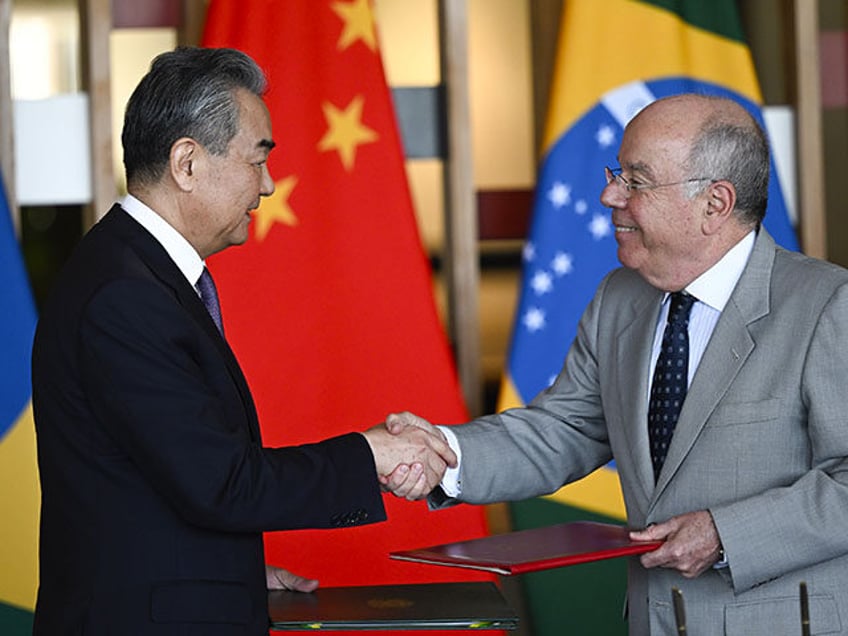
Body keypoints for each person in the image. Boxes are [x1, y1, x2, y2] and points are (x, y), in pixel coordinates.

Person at [385, 93, 848, 634]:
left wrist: (726, 534)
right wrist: (445, 453)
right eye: (616, 173)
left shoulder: (827, 305)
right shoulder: (619, 297)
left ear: (715, 203)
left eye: (637, 180)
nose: (609, 195)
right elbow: (565, 428)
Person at [31, 47, 453, 636]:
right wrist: (371, 453)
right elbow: (221, 482)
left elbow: (152, 481)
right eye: (257, 160)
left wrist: (227, 571)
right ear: (187, 163)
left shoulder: (136, 272)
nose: (271, 183)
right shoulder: (125, 296)